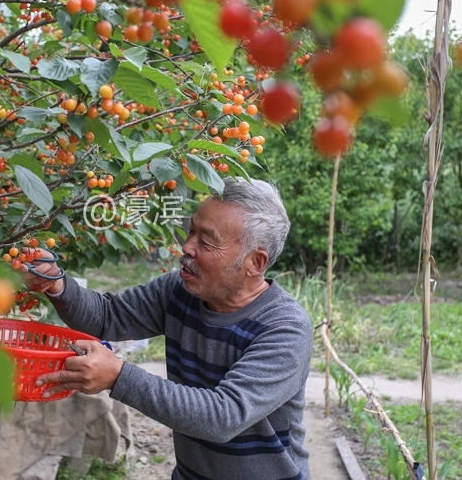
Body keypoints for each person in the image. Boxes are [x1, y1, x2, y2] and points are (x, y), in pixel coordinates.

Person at [23, 177, 313, 480]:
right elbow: (108, 316)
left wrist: (119, 376)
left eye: (206, 241)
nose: (187, 247)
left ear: (255, 262)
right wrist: (57, 283)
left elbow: (223, 416)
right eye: (191, 231)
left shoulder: (285, 329)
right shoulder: (180, 291)